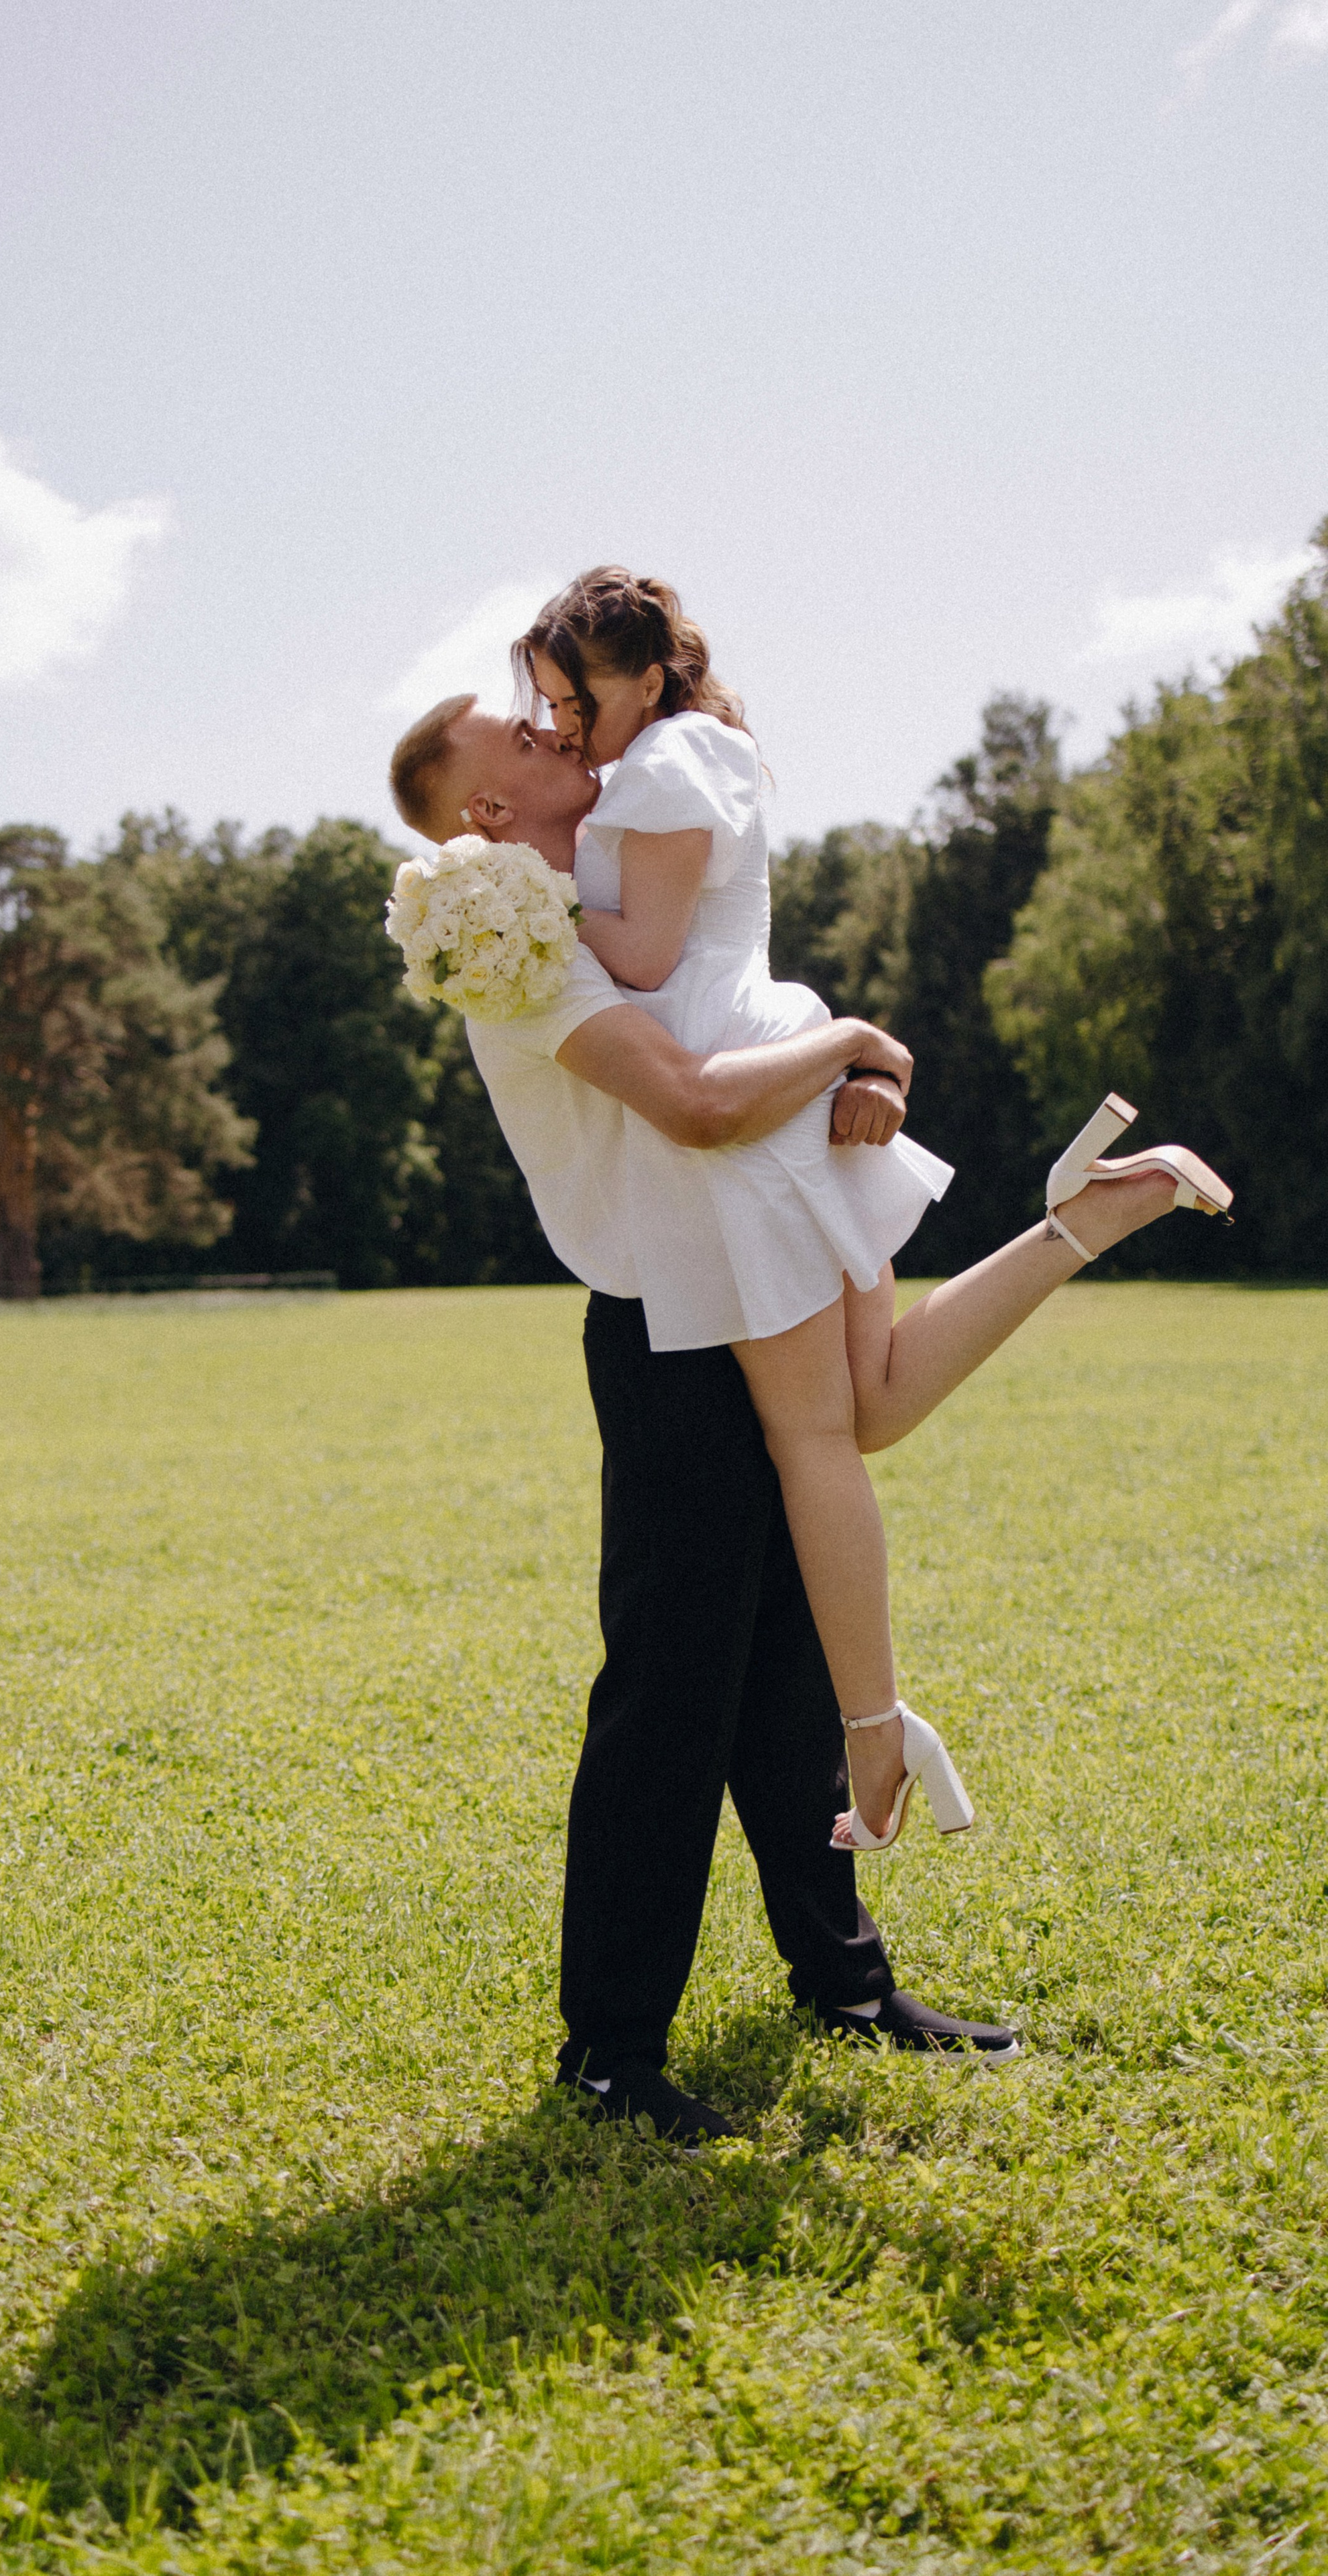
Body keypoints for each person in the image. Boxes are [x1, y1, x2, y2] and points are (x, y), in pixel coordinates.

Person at [387, 688, 1193, 2138]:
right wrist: (847, 1045)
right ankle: (608, 2057)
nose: (544, 726)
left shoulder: (632, 896)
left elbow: (740, 1035)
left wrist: (854, 1071)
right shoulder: (504, 949)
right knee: (670, 1692)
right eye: (510, 736)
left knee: (783, 1679)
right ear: (485, 811)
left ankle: (842, 1982)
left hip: (751, 1280)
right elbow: (697, 1106)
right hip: (660, 1334)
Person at [510, 569, 1231, 1854]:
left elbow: (650, 959)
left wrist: (520, 890)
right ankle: (1076, 1222)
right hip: (775, 1097)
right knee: (875, 1401)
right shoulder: (677, 758)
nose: (561, 722)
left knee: (817, 1445)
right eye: (544, 702)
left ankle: (874, 1729)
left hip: (745, 1131)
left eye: (574, 695)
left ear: (647, 677)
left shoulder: (674, 764)